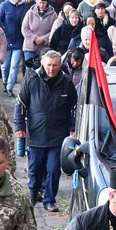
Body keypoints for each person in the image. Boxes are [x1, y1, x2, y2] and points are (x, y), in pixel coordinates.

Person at [15, 50, 78, 212]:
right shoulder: (31, 78)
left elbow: (74, 108)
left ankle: (50, 199)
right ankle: (32, 193)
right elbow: (21, 104)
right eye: (49, 65)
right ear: (43, 63)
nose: (51, 68)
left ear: (60, 65)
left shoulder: (66, 82)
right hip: (36, 133)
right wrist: (19, 127)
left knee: (53, 169)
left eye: (55, 65)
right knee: (35, 168)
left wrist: (72, 128)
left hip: (58, 135)